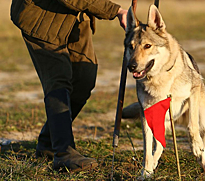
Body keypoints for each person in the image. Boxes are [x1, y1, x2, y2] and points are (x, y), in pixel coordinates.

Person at [10, 0, 127, 172]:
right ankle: (64, 154)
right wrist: (116, 11)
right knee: (58, 80)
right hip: (42, 17)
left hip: (76, 16)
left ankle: (48, 143)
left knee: (84, 79)